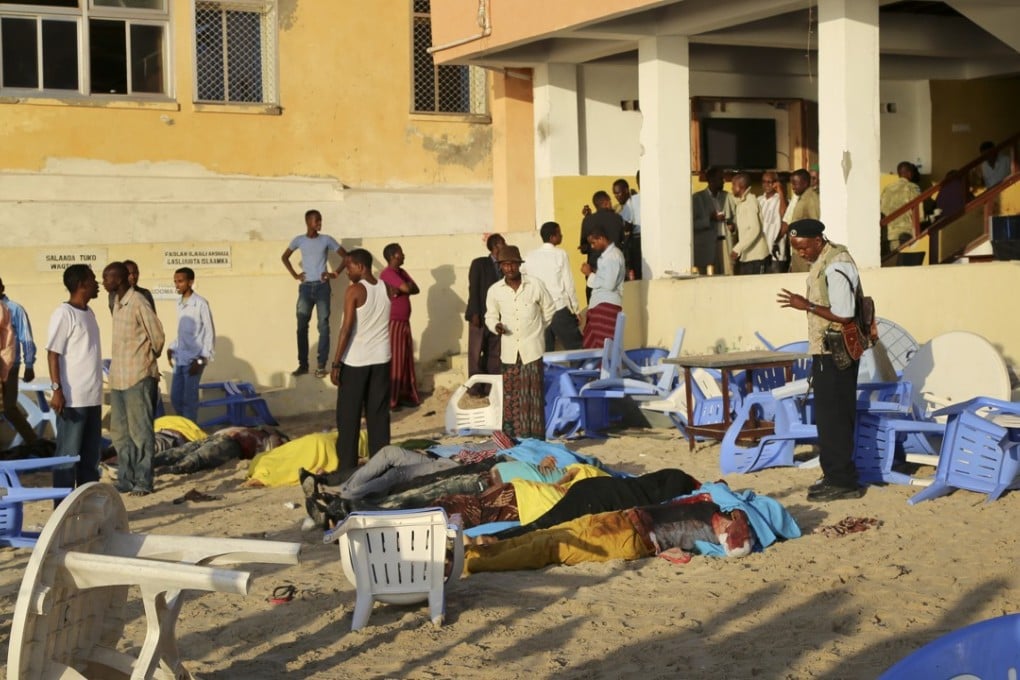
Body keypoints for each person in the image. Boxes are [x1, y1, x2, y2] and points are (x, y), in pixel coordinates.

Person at [777, 219, 865, 502]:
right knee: (827, 418)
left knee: (836, 418)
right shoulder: (823, 261)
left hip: (836, 353)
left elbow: (844, 314)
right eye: (796, 249)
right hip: (825, 351)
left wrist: (807, 305)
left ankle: (843, 482)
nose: (801, 253)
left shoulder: (836, 264)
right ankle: (834, 475)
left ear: (817, 239)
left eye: (803, 247)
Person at [463, 495, 755, 574]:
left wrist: (735, 525)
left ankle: (473, 564)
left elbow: (737, 549)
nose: (728, 525)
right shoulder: (710, 507)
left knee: (551, 547)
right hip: (620, 518)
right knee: (551, 532)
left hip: (628, 538)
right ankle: (478, 553)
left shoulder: (715, 532)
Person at [486, 467, 701, 540]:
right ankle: (495, 539)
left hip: (592, 488)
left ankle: (492, 538)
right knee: (545, 526)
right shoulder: (667, 492)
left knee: (546, 522)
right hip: (597, 499)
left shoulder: (665, 478)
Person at [104, 262, 165, 496]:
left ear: (118, 279)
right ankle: (126, 479)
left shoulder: (138, 301)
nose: (104, 283)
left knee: (141, 432)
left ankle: (143, 480)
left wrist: (147, 358)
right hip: (119, 377)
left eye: (107, 278)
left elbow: (157, 335)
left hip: (138, 375)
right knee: (120, 433)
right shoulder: (117, 303)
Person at [330, 248, 391, 484]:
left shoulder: (355, 290)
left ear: (361, 266)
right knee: (378, 415)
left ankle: (346, 469)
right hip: (382, 358)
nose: (347, 272)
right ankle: (381, 466)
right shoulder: (386, 287)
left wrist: (336, 363)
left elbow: (346, 329)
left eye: (349, 267)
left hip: (356, 360)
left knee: (349, 416)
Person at [485, 245, 555, 439]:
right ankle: (514, 442)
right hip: (509, 352)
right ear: (501, 267)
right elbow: (489, 316)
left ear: (519, 265)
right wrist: (495, 326)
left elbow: (549, 309)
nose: (509, 268)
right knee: (512, 398)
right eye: (505, 265)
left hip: (532, 350)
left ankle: (535, 440)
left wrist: (538, 330)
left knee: (533, 397)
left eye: (512, 264)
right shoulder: (495, 291)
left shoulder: (535, 285)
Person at [46, 264, 104, 490]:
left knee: (90, 459)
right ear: (82, 284)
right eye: (93, 279)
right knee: (68, 457)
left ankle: (87, 506)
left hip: (93, 398)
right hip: (73, 399)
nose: (97, 284)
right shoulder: (64, 314)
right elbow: (52, 353)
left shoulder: (89, 313)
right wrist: (57, 389)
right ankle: (62, 509)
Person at [281, 209, 348, 377]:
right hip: (305, 288)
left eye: (320, 220)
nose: (319, 223)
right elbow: (284, 257)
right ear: (308, 222)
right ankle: (303, 364)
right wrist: (295, 274)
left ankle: (321, 365)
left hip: (322, 287)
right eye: (316, 220)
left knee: (323, 326)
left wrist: (335, 273)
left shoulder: (326, 239)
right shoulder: (299, 240)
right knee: (301, 326)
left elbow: (346, 257)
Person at [521, 222, 582, 352]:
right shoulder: (560, 254)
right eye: (559, 233)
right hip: (558, 308)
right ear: (552, 237)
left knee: (545, 353)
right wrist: (575, 309)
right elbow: (568, 284)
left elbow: (523, 278)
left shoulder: (529, 256)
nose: (562, 235)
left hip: (539, 311)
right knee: (576, 349)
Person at [167, 267, 215, 423]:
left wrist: (202, 359)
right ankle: (185, 426)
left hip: (195, 359)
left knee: (189, 400)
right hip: (180, 358)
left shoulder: (200, 303)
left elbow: (209, 332)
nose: (177, 285)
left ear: (190, 282)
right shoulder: (179, 303)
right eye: (175, 281)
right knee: (175, 397)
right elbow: (183, 333)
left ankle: (189, 434)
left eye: (180, 281)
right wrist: (172, 347)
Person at [379, 243, 421, 410]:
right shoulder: (387, 273)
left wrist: (402, 289)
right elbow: (407, 287)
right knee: (395, 360)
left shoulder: (401, 273)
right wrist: (404, 288)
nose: (404, 256)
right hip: (394, 321)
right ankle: (392, 399)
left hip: (404, 320)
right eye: (401, 253)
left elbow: (415, 289)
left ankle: (404, 395)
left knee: (405, 360)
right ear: (393, 256)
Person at [0, 277, 40, 447]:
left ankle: (34, 443)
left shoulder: (15, 309)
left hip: (10, 365)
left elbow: (26, 338)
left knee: (9, 408)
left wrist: (29, 365)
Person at [154, 425, 287, 475]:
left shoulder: (253, 432)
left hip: (223, 439)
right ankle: (158, 467)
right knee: (191, 457)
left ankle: (154, 466)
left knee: (184, 454)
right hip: (228, 442)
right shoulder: (265, 437)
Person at [465, 234, 505, 396]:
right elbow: (473, 289)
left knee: (494, 354)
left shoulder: (505, 266)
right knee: (475, 354)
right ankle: (475, 388)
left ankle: (491, 388)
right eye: (503, 243)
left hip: (496, 318)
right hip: (479, 316)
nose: (506, 246)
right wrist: (474, 312)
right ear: (496, 246)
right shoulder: (480, 263)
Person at [581, 225, 625, 350]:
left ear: (601, 238)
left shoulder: (613, 256)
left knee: (603, 350)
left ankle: (605, 370)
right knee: (594, 349)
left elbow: (609, 284)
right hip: (600, 305)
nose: (592, 247)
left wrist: (590, 274)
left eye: (593, 243)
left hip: (605, 306)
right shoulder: (608, 256)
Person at [578, 191, 625, 301]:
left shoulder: (587, 220)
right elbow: (622, 241)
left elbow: (583, 248)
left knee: (594, 303)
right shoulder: (617, 219)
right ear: (607, 202)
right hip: (614, 268)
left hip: (594, 269)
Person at [691, 166, 736, 274]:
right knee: (708, 278)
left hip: (725, 244)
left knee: (728, 275)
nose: (723, 181)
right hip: (707, 246)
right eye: (720, 179)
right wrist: (709, 219)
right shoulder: (697, 198)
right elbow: (691, 225)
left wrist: (732, 226)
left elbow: (735, 218)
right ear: (711, 180)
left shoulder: (727, 197)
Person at [779, 169, 821, 273]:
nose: (792, 187)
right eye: (791, 183)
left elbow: (815, 224)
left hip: (805, 251)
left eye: (795, 184)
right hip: (797, 250)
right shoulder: (800, 198)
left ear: (805, 183)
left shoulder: (810, 199)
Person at [729, 173, 772, 275]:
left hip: (756, 258)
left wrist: (737, 249)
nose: (731, 188)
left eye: (733, 185)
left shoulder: (750, 201)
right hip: (747, 257)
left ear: (741, 186)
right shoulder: (742, 202)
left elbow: (754, 229)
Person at [880, 161, 922, 254]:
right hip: (904, 234)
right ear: (909, 173)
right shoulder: (912, 187)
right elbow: (920, 215)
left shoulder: (887, 188)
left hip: (887, 235)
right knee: (902, 264)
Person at [759, 170, 788, 273]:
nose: (766, 184)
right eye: (764, 181)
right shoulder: (759, 200)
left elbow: (785, 214)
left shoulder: (781, 199)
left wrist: (780, 191)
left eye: (769, 182)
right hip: (761, 252)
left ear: (776, 183)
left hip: (776, 251)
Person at [613, 177, 642, 280]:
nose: (617, 196)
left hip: (636, 240)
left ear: (626, 190)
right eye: (615, 194)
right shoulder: (640, 198)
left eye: (618, 193)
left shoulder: (630, 203)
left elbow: (626, 225)